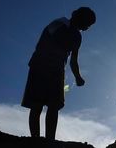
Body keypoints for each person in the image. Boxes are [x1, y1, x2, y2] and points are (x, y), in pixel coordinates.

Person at [21, 7, 96, 140]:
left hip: (57, 70)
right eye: (87, 24)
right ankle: (35, 140)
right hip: (40, 65)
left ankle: (50, 140)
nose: (86, 29)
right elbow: (52, 43)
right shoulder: (59, 23)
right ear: (80, 18)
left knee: (54, 105)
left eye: (89, 26)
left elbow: (73, 60)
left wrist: (78, 77)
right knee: (37, 104)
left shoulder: (77, 37)